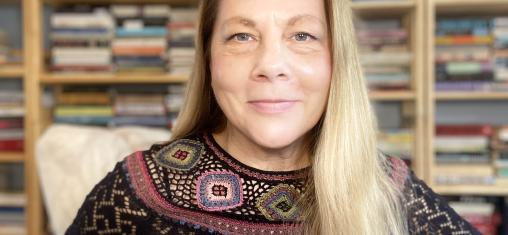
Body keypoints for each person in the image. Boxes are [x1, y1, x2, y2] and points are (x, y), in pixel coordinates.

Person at [66, 0, 480, 234]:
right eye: (241, 36)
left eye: (302, 36)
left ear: (337, 61)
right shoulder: (133, 194)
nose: (271, 65)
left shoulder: (387, 189)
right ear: (209, 59)